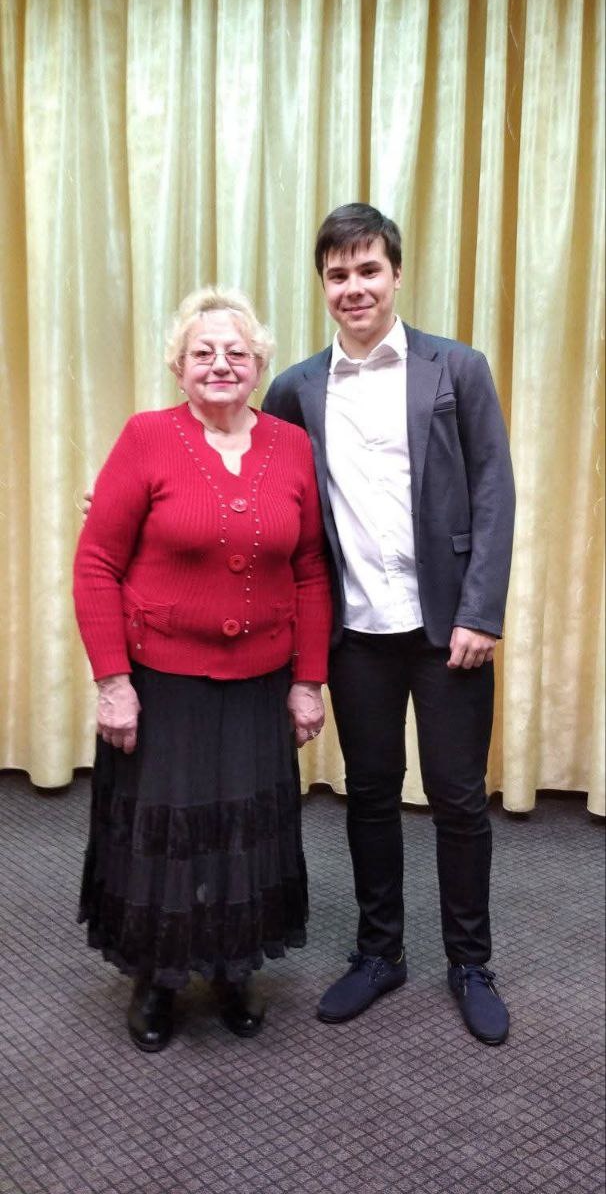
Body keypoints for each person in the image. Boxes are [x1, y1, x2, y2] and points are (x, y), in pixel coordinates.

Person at [263, 203, 516, 1045]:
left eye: (368, 269)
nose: (354, 287)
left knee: (458, 798)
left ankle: (470, 963)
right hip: (355, 634)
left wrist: (480, 611)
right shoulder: (296, 389)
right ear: (323, 285)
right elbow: (261, 487)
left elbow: (494, 490)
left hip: (449, 632)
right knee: (369, 794)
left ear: (396, 275)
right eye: (337, 274)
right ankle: (380, 953)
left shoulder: (458, 369)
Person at [73, 286, 332, 1053]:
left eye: (236, 352)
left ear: (259, 364)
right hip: (163, 684)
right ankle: (156, 976)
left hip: (260, 683)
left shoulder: (292, 445)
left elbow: (311, 570)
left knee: (242, 829)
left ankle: (231, 966)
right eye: (203, 352)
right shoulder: (146, 437)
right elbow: (96, 563)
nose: (220, 364)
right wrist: (113, 683)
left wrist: (308, 680)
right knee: (168, 829)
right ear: (178, 365)